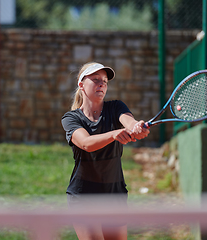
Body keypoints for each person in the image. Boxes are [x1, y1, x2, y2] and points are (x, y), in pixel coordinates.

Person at [61, 62, 150, 240]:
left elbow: (129, 123)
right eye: (95, 80)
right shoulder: (71, 118)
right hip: (83, 196)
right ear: (81, 85)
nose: (101, 84)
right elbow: (86, 143)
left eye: (104, 81)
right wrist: (114, 134)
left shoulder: (116, 107)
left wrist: (136, 127)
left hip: (113, 194)